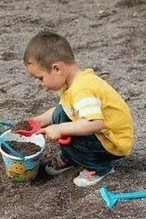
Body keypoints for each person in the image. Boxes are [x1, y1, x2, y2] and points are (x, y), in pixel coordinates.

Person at [23, 31, 133, 187]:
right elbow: (65, 109)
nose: (41, 84)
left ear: (57, 69)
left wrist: (60, 128)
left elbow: (94, 123)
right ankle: (72, 158)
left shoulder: (82, 88)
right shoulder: (71, 83)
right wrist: (38, 121)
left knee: (69, 130)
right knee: (62, 113)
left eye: (41, 78)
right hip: (102, 134)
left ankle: (100, 168)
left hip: (112, 142)